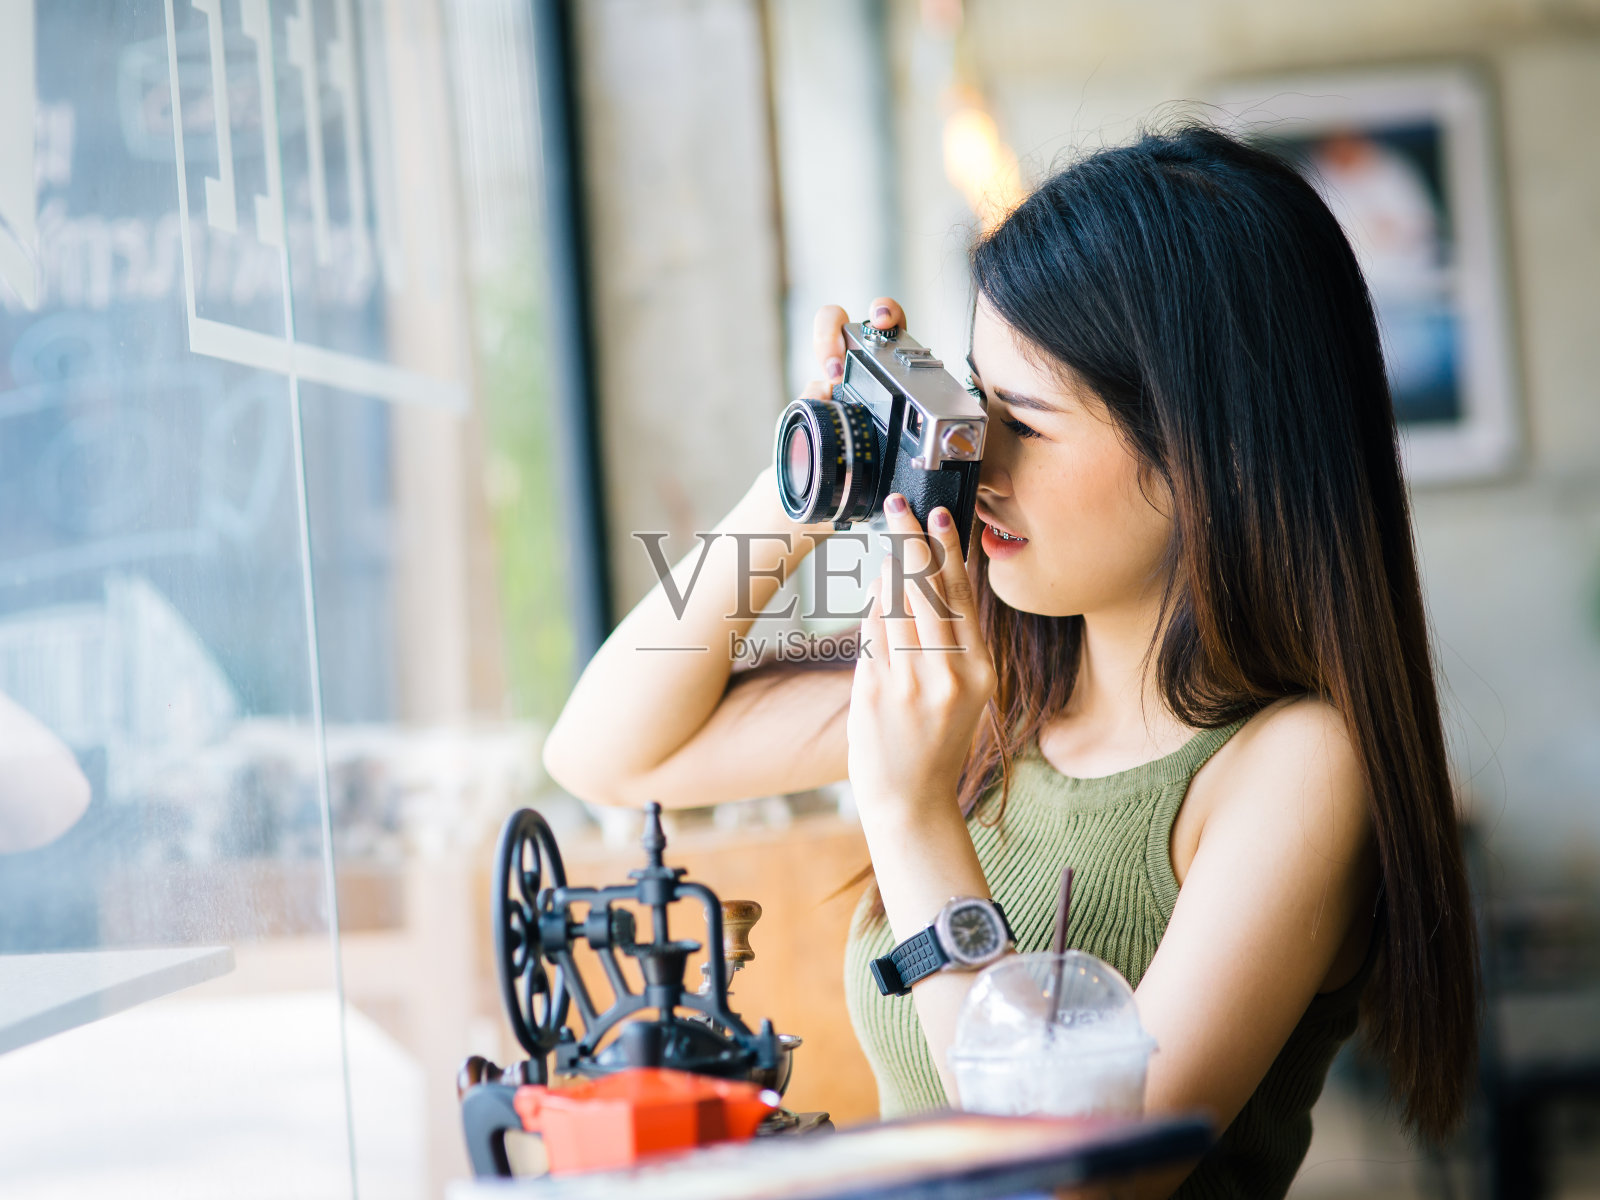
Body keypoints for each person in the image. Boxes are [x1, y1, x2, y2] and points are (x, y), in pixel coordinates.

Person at [540, 122, 1479, 1198]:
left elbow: (1077, 1183)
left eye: (1024, 422)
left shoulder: (1295, 767)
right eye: (970, 406)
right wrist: (818, 475)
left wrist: (910, 813)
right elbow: (606, 749)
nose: (978, 460)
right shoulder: (998, 677)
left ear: (1211, 450)